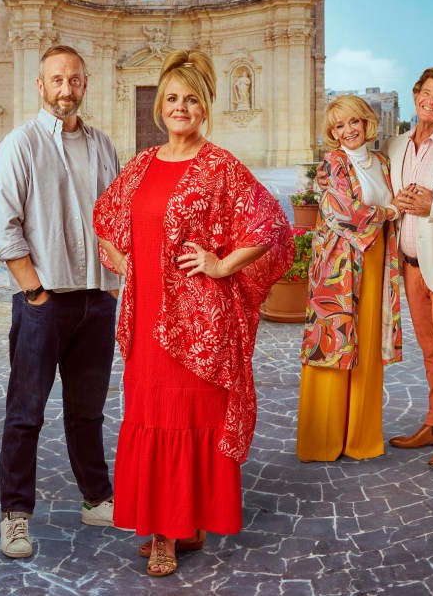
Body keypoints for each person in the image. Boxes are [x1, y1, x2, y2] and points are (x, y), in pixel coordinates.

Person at [93, 50, 293, 577]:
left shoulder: (220, 165)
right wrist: (123, 258)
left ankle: (173, 530)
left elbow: (271, 224)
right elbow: (108, 218)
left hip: (201, 323)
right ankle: (169, 522)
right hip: (148, 319)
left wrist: (223, 264)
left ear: (205, 108)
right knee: (151, 415)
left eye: (192, 99)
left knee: (192, 417)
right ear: (161, 107)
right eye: (173, 99)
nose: (181, 107)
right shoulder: (140, 163)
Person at [316, 68, 433, 469]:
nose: (431, 102)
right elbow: (358, 175)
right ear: (416, 97)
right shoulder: (394, 148)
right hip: (408, 269)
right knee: (431, 353)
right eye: (426, 93)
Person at [0, 45, 122, 559]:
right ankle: (15, 516)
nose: (66, 89)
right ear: (40, 86)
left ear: (85, 83)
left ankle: (96, 498)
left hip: (96, 301)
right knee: (25, 414)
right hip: (44, 303)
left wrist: (110, 287)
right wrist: (35, 292)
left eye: (74, 80)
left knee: (87, 413)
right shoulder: (19, 145)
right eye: (56, 80)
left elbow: (113, 219)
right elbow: (5, 228)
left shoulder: (104, 145)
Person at [296, 95, 402, 463]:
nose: (348, 130)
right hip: (338, 265)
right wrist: (389, 211)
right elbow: (344, 211)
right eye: (339, 126)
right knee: (333, 341)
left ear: (367, 122)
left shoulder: (383, 163)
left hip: (375, 261)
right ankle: (322, 440)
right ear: (332, 132)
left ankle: (361, 438)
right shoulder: (333, 161)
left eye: (353, 122)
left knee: (368, 345)